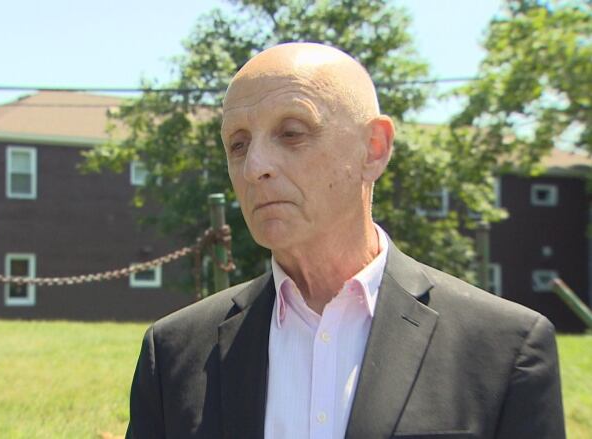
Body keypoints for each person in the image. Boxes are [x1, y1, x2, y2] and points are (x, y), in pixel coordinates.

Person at [126, 43, 564, 439]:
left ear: (373, 149)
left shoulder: (505, 348)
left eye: (292, 132)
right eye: (238, 144)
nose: (254, 166)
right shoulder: (172, 354)